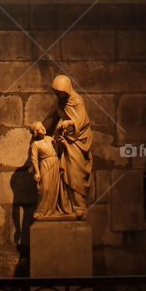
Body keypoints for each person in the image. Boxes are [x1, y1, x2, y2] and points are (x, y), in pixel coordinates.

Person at [51, 74, 93, 218]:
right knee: (66, 173)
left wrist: (69, 123)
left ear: (67, 89)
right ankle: (68, 207)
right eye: (56, 92)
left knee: (76, 172)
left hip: (78, 141)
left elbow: (82, 120)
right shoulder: (59, 102)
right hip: (66, 142)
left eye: (60, 92)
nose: (58, 95)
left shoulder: (76, 100)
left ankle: (80, 206)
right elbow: (50, 118)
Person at [29, 122, 62, 219]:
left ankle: (52, 210)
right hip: (45, 165)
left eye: (42, 126)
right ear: (35, 132)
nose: (43, 128)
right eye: (39, 128)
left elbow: (58, 148)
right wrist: (37, 172)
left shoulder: (50, 139)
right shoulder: (36, 144)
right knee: (45, 188)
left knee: (55, 188)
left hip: (56, 163)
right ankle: (40, 211)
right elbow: (34, 159)